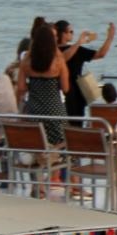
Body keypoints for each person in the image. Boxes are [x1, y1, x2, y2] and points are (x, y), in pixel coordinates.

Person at [15, 17, 70, 145]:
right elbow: (65, 88)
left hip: (34, 111)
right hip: (55, 113)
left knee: (38, 144)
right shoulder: (58, 61)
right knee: (60, 145)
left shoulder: (27, 62)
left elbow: (21, 88)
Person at [57, 19, 116, 118]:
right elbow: (101, 54)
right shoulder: (77, 51)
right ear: (63, 34)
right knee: (76, 125)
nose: (73, 34)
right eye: (71, 32)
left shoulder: (51, 52)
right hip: (75, 95)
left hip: (57, 93)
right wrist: (110, 37)